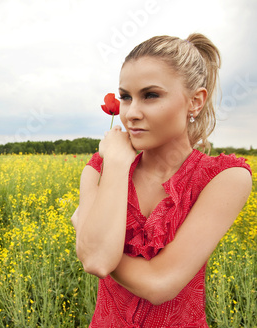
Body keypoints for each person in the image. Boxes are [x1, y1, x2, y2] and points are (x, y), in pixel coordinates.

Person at [71, 33, 252, 327]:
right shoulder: (100, 169)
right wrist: (116, 163)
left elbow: (159, 285)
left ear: (195, 101)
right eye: (126, 97)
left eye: (150, 95)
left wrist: (89, 236)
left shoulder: (225, 177)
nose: (131, 113)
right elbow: (95, 261)